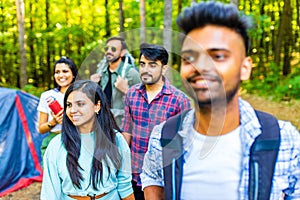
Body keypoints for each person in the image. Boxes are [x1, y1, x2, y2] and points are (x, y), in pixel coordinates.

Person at [141, 1, 300, 200]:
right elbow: (151, 177)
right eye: (189, 58)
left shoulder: (284, 140)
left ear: (245, 68)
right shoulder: (163, 137)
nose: (200, 67)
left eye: (217, 56)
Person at [40, 80, 134, 200]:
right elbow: (50, 193)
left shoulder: (116, 140)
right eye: (69, 105)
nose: (73, 110)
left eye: (80, 104)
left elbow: (125, 185)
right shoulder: (56, 145)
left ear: (97, 106)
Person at [122, 43, 191, 199]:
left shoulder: (180, 100)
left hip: (163, 178)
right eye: (142, 64)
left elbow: (186, 144)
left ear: (164, 68)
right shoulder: (131, 95)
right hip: (134, 174)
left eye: (152, 65)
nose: (146, 69)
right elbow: (126, 132)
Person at [90, 36, 141, 127]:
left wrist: (127, 91)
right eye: (107, 48)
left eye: (113, 49)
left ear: (122, 52)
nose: (109, 51)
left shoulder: (131, 74)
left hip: (123, 127)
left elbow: (142, 104)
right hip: (102, 125)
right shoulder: (100, 73)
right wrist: (92, 86)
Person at [37, 56, 78, 159]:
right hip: (53, 139)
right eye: (57, 72)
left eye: (65, 71)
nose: (61, 75)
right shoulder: (47, 96)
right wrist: (53, 122)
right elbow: (41, 129)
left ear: (73, 74)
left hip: (76, 139)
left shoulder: (81, 94)